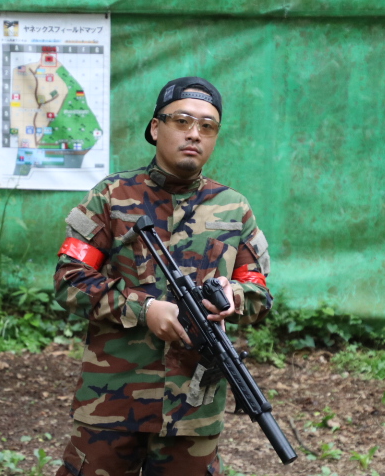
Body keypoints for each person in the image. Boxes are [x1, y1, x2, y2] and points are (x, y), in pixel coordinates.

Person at [53, 76, 273, 476]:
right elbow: (70, 279)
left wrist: (235, 295)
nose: (195, 134)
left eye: (207, 126)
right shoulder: (111, 196)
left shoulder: (234, 208)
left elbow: (258, 290)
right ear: (156, 128)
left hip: (193, 408)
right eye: (182, 121)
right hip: (112, 402)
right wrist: (144, 309)